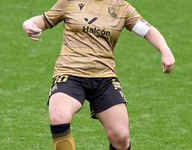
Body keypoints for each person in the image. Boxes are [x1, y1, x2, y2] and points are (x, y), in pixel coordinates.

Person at [23, 0, 175, 149]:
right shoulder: (69, 2)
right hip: (70, 73)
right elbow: (43, 19)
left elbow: (148, 30)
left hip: (104, 77)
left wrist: (165, 51)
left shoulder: (122, 7)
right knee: (58, 117)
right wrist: (29, 23)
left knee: (121, 137)